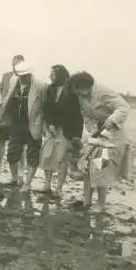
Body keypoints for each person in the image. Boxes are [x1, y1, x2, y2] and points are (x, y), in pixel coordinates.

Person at [69, 72, 130, 212]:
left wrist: (112, 119)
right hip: (96, 134)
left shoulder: (103, 92)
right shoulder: (82, 97)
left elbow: (124, 107)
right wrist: (92, 131)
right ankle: (87, 201)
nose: (75, 92)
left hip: (113, 135)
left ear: (84, 86)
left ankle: (101, 205)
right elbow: (86, 115)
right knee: (86, 167)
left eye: (76, 89)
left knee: (101, 168)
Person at [0, 61, 47, 192]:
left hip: (33, 124)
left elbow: (45, 106)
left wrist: (44, 125)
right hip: (16, 123)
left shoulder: (40, 86)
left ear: (30, 74)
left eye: (25, 75)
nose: (22, 77)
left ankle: (27, 183)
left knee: (32, 154)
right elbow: (7, 100)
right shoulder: (14, 81)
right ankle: (14, 179)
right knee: (12, 152)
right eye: (20, 75)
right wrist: (2, 117)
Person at [40, 65, 84, 196]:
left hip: (66, 131)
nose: (50, 76)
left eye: (52, 74)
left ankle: (59, 189)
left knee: (62, 160)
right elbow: (46, 108)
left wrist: (76, 135)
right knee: (47, 156)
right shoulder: (50, 89)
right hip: (52, 129)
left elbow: (76, 114)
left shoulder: (72, 91)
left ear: (59, 75)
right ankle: (47, 185)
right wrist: (50, 125)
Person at [0, 55, 27, 178]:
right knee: (1, 140)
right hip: (5, 113)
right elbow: (3, 93)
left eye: (18, 64)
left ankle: (22, 169)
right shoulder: (6, 76)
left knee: (20, 143)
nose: (15, 67)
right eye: (13, 64)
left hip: (18, 116)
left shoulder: (26, 79)